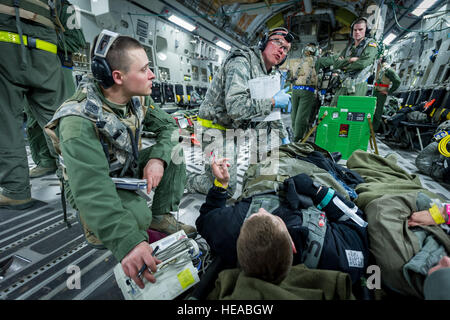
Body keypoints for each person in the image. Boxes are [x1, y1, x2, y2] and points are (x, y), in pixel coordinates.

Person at [44, 30, 194, 289]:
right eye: (145, 69)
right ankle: (96, 226)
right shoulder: (78, 121)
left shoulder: (136, 99)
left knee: (174, 151)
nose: (152, 75)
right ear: (118, 77)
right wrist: (129, 244)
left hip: (123, 169)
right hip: (89, 183)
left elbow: (170, 127)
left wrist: (157, 159)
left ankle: (160, 216)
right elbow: (92, 187)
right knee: (136, 217)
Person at [196, 157, 369, 289]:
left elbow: (205, 218)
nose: (262, 210)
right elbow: (358, 222)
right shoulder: (337, 257)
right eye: (272, 218)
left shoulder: (227, 227)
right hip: (305, 174)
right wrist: (317, 190)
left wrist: (221, 184)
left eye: (254, 216)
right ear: (293, 245)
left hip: (261, 178)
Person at [185, 27, 293, 197]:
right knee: (225, 188)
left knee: (267, 137)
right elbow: (236, 108)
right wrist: (272, 101)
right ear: (264, 42)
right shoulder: (241, 62)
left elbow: (271, 113)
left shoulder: (270, 73)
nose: (281, 50)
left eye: (285, 49)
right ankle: (186, 178)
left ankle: (256, 181)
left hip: (236, 129)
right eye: (278, 42)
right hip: (215, 129)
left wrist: (284, 136)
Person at [0, 0, 67, 209]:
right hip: (45, 36)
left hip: (6, 29)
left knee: (6, 121)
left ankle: (16, 191)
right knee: (59, 119)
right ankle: (77, 182)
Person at [26, 0, 87, 179]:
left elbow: (77, 40)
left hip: (57, 67)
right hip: (28, 65)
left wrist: (41, 36)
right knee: (32, 119)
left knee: (58, 118)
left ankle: (68, 168)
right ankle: (45, 161)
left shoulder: (62, 5)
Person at [317, 17, 378, 107]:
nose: (357, 32)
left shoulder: (371, 44)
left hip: (358, 85)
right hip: (343, 84)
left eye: (360, 29)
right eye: (355, 30)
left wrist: (345, 66)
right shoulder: (349, 47)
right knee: (333, 109)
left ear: (366, 31)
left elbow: (362, 63)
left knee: (350, 113)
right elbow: (336, 64)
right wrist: (350, 60)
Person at [290, 43, 319, 141]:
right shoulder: (316, 62)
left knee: (294, 115)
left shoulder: (297, 62)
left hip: (295, 90)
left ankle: (294, 135)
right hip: (307, 91)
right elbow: (333, 62)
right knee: (302, 117)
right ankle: (297, 139)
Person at [372, 56, 401, 132]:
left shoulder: (389, 70)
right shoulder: (382, 69)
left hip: (381, 93)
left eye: (380, 59)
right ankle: (371, 128)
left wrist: (389, 92)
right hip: (376, 92)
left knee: (378, 112)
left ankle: (374, 129)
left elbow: (397, 81)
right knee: (373, 110)